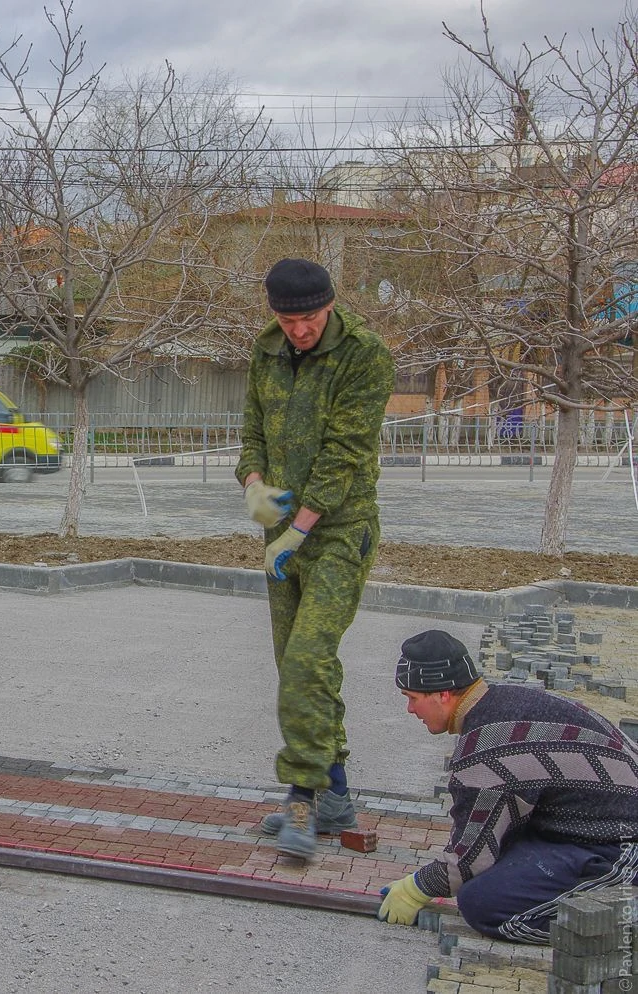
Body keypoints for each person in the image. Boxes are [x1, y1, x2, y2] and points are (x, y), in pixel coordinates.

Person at [238, 258, 395, 859]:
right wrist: (253, 484)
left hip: (337, 531)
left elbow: (344, 454)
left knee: (307, 660)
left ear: (329, 305)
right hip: (282, 531)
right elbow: (252, 425)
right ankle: (337, 797)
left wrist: (299, 532)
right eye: (287, 318)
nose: (298, 330)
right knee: (300, 666)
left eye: (308, 318)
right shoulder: (267, 349)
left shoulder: (365, 354)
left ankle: (303, 797)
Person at [377, 630, 638, 943]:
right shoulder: (504, 704)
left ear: (442, 694)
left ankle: (621, 925)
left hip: (621, 846)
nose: (409, 710)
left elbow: (470, 859)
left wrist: (417, 887)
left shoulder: (486, 749)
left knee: (483, 903)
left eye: (412, 699)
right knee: (502, 853)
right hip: (588, 826)